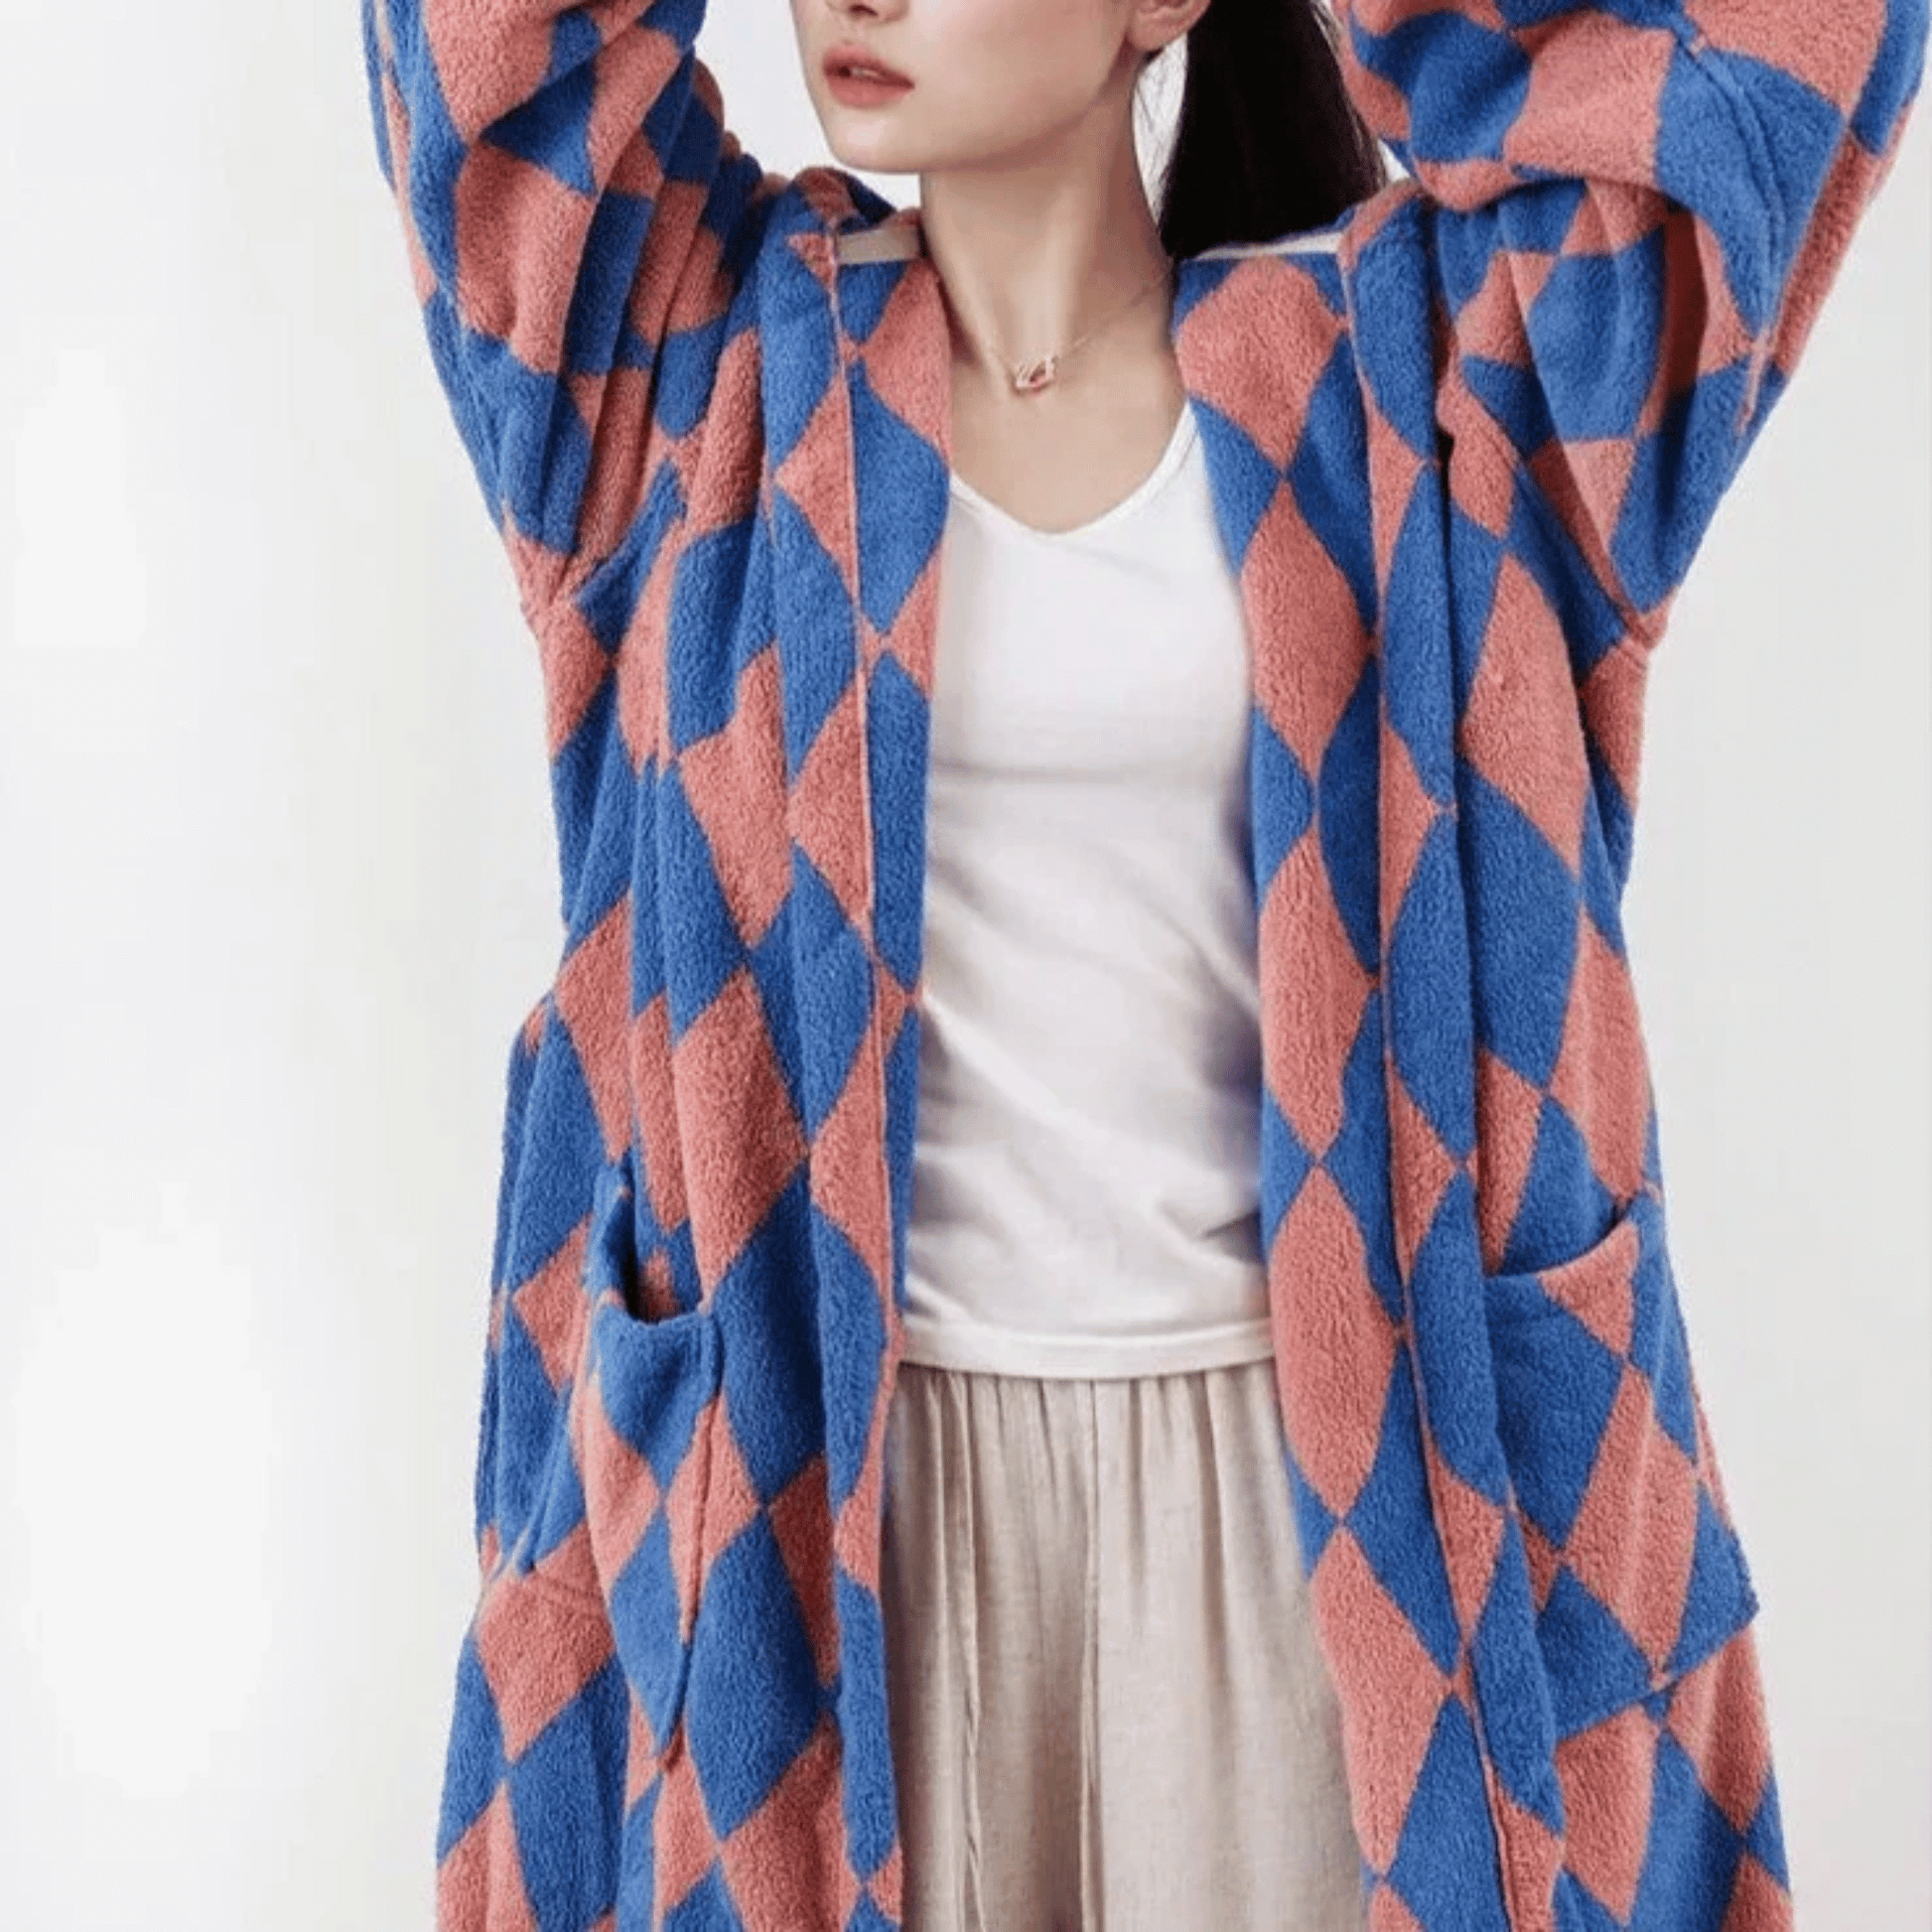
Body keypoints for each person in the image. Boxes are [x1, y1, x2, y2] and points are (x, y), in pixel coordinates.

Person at [359, 0, 1925, 1928]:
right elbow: (486, 62)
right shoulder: (683, 377)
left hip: (1335, 1525)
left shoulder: (1449, 383)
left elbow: (1783, 70)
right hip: (828, 1514)